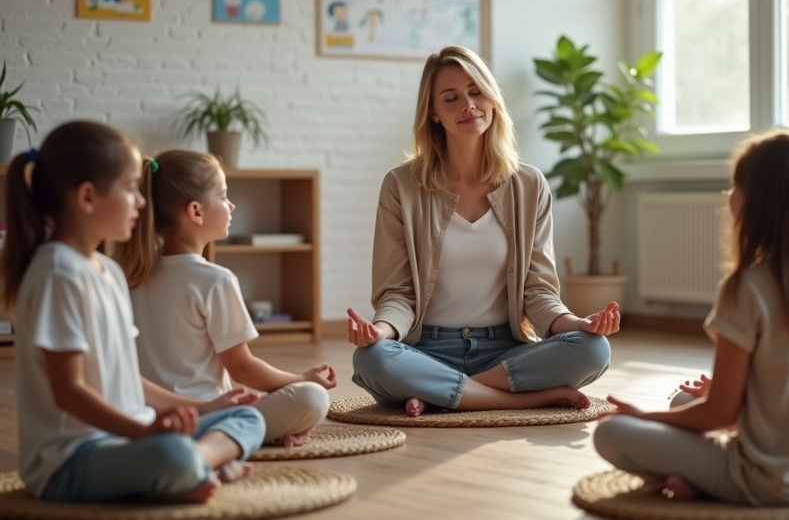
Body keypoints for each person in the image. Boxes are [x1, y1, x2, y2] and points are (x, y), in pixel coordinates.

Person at [595, 114, 789, 506]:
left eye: (736, 185)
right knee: (683, 401)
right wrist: (737, 393)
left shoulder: (747, 286)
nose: (727, 195)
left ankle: (705, 483)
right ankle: (699, 479)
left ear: (759, 202)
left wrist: (642, 417)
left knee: (611, 432)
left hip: (770, 483)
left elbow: (721, 415)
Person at [0, 121, 265, 503]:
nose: (141, 202)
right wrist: (143, 432)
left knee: (247, 417)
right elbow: (69, 392)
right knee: (170, 453)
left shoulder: (109, 271)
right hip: (72, 459)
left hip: (129, 436)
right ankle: (194, 463)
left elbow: (128, 379)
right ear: (87, 197)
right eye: (130, 189)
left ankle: (197, 463)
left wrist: (204, 406)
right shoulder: (57, 274)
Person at [347, 45, 618, 418]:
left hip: (504, 350)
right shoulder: (401, 186)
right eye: (451, 98)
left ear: (491, 99)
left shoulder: (529, 185)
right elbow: (398, 292)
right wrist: (380, 332)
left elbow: (538, 291)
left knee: (594, 349)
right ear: (433, 112)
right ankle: (520, 398)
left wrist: (579, 323)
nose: (468, 105)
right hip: (426, 349)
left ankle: (442, 392)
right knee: (371, 358)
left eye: (476, 92)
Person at [113, 149, 333, 448]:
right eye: (224, 196)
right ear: (196, 212)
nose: (231, 205)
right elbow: (242, 368)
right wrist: (301, 379)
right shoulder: (215, 279)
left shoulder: (127, 275)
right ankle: (229, 438)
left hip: (147, 416)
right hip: (207, 416)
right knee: (312, 396)